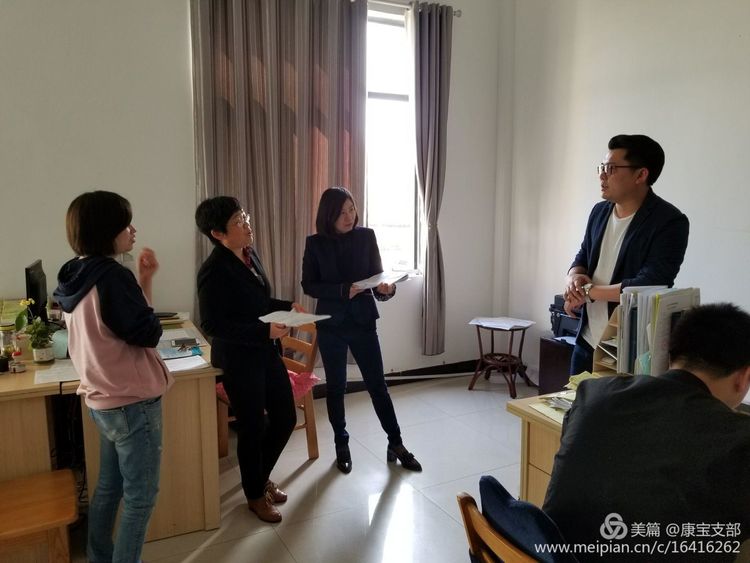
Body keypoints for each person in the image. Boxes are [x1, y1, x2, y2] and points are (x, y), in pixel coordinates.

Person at [543, 303, 750, 562]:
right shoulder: (739, 440)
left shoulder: (593, 393)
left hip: (547, 554)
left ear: (670, 356)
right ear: (743, 377)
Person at [54, 190, 172, 563]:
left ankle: (99, 556)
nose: (133, 230)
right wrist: (137, 285)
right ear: (106, 231)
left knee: (108, 488)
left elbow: (127, 323)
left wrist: (144, 280)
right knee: (141, 498)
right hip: (132, 402)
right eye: (125, 224)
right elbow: (147, 332)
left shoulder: (75, 273)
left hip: (103, 401)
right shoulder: (112, 276)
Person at [301, 186, 422, 474]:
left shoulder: (366, 237)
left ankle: (396, 443)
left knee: (378, 385)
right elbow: (309, 285)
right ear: (328, 215)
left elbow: (377, 280)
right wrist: (343, 290)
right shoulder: (315, 243)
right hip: (331, 324)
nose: (349, 217)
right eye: (342, 212)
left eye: (352, 209)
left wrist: (386, 290)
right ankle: (341, 443)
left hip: (363, 321)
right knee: (336, 388)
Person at [195, 196, 297, 523]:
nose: (247, 225)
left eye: (245, 217)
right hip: (239, 359)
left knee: (285, 418)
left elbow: (258, 302)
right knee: (253, 426)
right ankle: (254, 495)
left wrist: (287, 306)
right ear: (218, 234)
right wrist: (263, 331)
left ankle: (259, 478)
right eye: (238, 222)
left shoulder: (249, 254)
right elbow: (213, 324)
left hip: (265, 352)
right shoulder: (213, 270)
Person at [564, 134, 689, 375]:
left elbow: (650, 282)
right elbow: (583, 255)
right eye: (602, 167)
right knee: (575, 400)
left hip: (629, 348)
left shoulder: (669, 222)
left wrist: (588, 293)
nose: (602, 176)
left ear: (640, 175)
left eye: (611, 169)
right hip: (587, 340)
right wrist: (573, 278)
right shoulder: (600, 211)